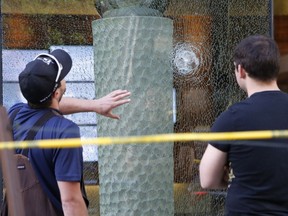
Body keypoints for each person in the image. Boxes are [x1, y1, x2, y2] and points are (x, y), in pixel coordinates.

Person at [8, 49, 130, 216]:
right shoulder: (65, 131)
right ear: (57, 92)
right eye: (62, 77)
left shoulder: (14, 114)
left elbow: (53, 106)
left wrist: (95, 105)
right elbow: (71, 202)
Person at [199, 35, 288, 215]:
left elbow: (207, 180)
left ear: (240, 70)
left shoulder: (232, 117)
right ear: (275, 69)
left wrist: (231, 179)